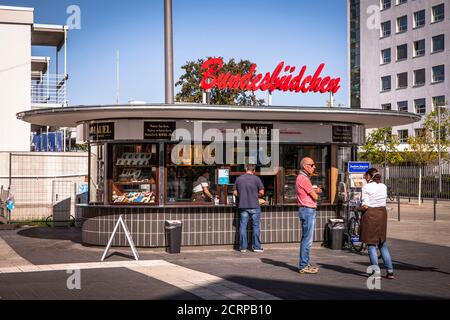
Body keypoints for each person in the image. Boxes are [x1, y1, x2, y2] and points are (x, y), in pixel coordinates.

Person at [360, 168, 394, 280]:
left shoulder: (366, 187)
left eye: (365, 176)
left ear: (369, 176)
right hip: (382, 214)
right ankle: (390, 271)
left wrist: (357, 208)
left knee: (371, 244)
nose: (365, 177)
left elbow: (365, 205)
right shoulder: (383, 186)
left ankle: (375, 272)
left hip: (371, 214)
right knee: (382, 243)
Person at [296, 157, 322, 274]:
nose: (314, 166)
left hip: (305, 210)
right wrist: (316, 192)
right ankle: (304, 265)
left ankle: (305, 263)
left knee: (305, 238)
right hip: (308, 210)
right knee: (307, 240)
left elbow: (310, 192)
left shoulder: (302, 178)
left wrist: (314, 190)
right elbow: (315, 197)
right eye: (312, 165)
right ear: (305, 166)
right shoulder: (304, 179)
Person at [233, 164, 265, 253]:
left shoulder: (239, 179)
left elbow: (235, 192)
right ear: (254, 170)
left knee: (242, 226)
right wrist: (255, 195)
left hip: (243, 205)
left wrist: (242, 196)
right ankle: (257, 247)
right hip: (255, 205)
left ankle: (243, 247)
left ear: (246, 169)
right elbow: (262, 192)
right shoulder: (257, 179)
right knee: (256, 226)